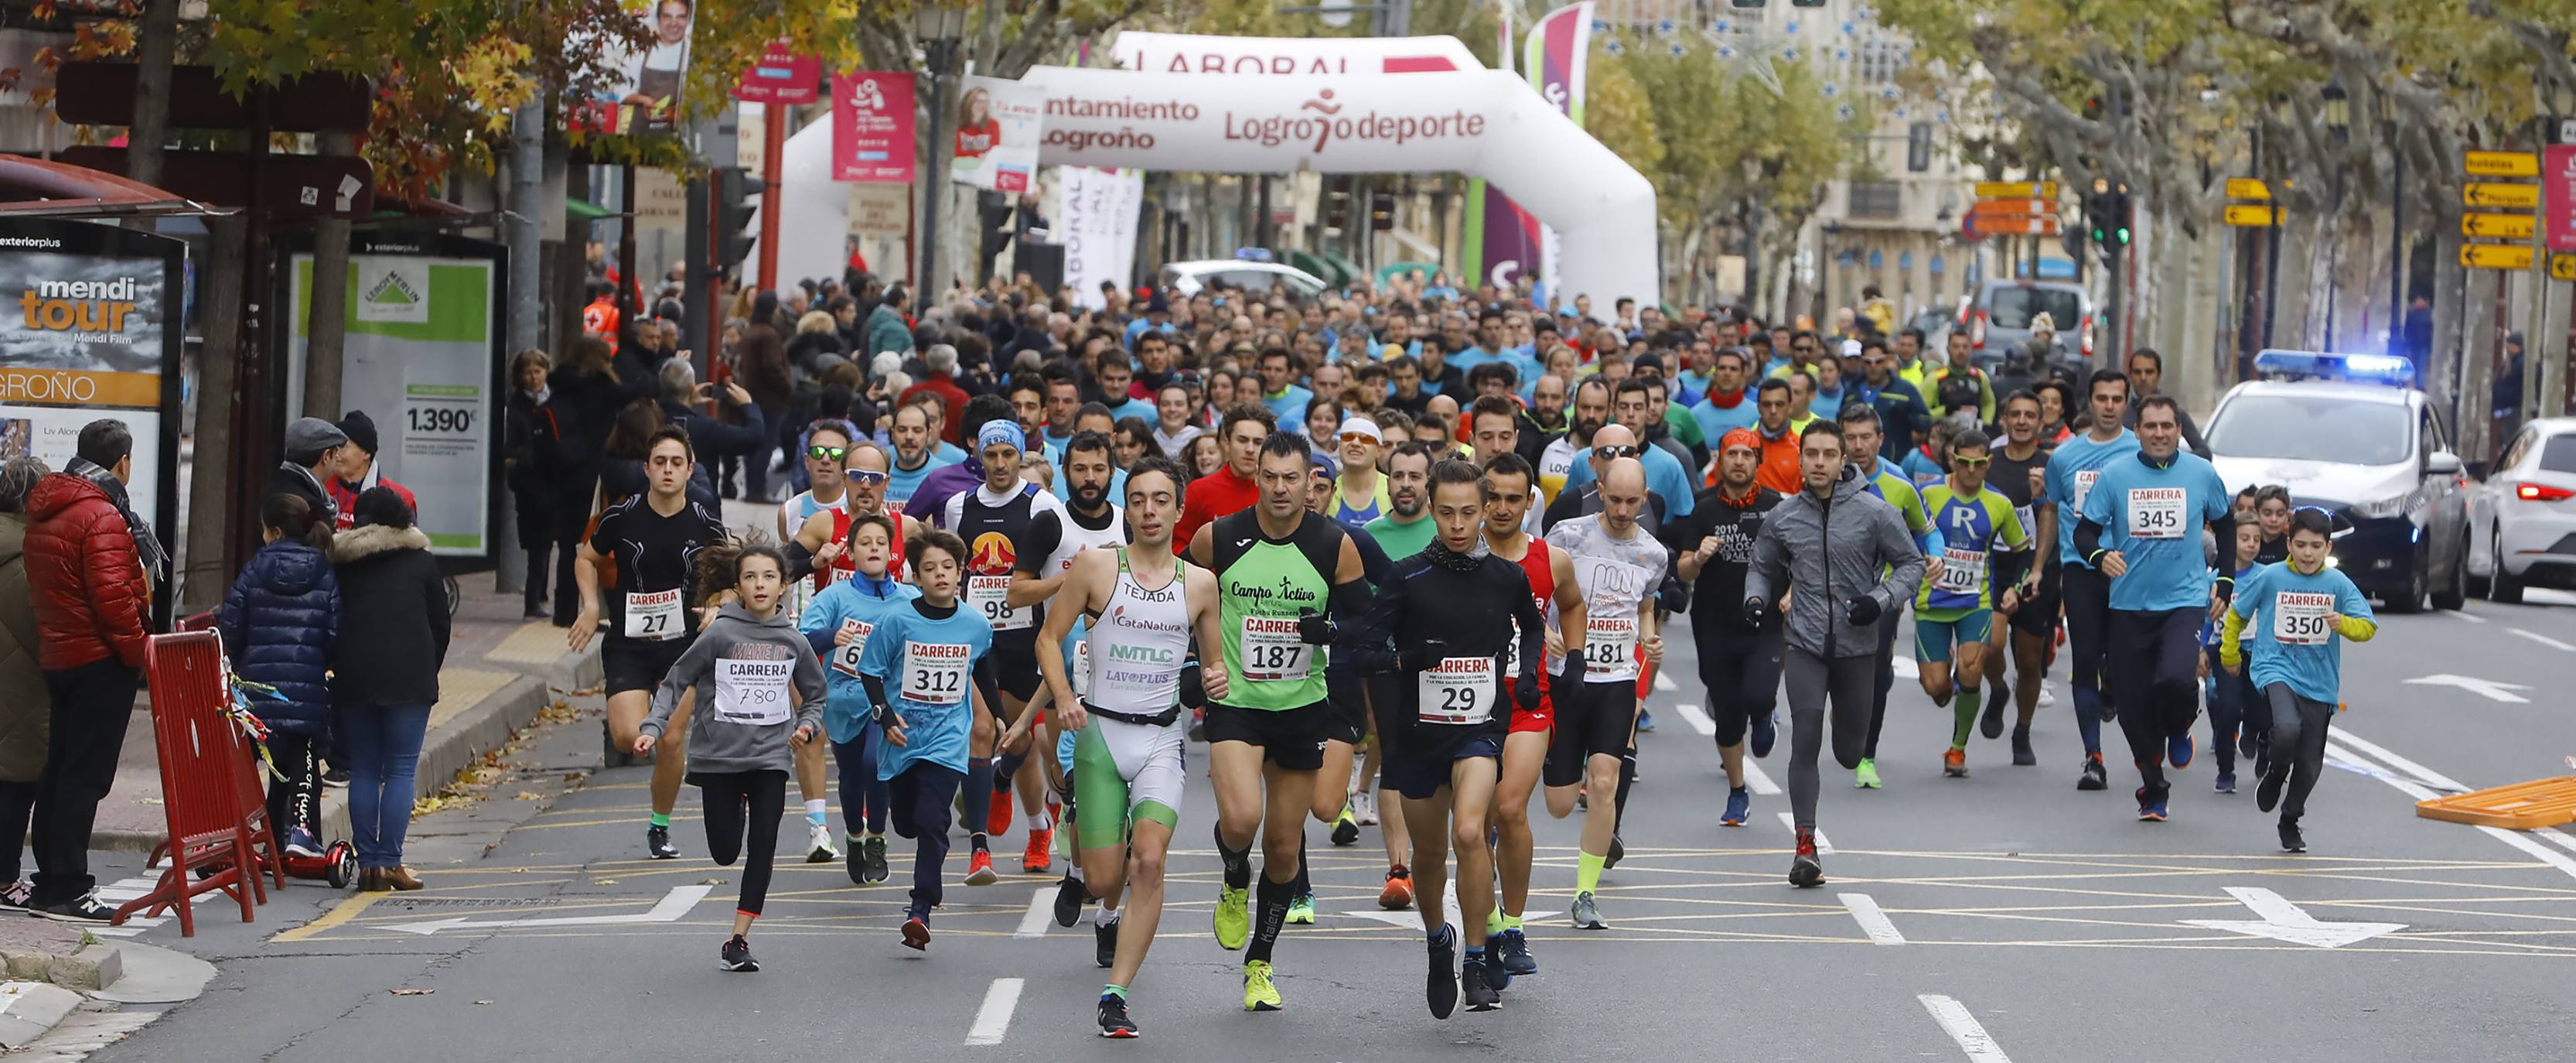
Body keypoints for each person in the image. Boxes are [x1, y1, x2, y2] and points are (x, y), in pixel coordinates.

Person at [1341, 459, 1545, 1017]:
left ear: (1485, 512)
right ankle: (1439, 943)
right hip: (1416, 734)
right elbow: (1364, 650)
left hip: (1478, 727)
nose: (1458, 525)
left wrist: (1526, 675)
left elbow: (1530, 626)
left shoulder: (1506, 577)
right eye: (1447, 513)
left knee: (1471, 831)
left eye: (1469, 514)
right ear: (1432, 509)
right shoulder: (1406, 577)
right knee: (1429, 854)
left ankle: (1476, 959)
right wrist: (1407, 658)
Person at [1036, 456, 1229, 1038]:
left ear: (1177, 509)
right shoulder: (1095, 567)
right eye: (1139, 500)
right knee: (1102, 878)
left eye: (1160, 500)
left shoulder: (1200, 582)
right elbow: (1048, 638)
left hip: (1159, 741)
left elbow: (1214, 664)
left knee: (1149, 860)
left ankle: (1115, 993)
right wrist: (1066, 695)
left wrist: (1216, 680)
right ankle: (1097, 875)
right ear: (1129, 507)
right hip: (1098, 735)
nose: (1149, 511)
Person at [1186, 430, 1370, 1013]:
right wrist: (1196, 665)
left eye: (1293, 478)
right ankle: (1234, 873)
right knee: (1240, 821)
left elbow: (1366, 624)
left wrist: (1332, 633)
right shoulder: (1218, 537)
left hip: (1301, 707)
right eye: (1270, 477)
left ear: (1311, 481)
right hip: (1237, 702)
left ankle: (1259, 965)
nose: (1282, 489)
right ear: (1256, 477)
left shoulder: (1333, 544)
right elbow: (1177, 599)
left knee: (1286, 848)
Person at [1744, 419, 1924, 887]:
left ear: (1844, 460)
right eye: (1812, 454)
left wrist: (1880, 601)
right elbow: (1761, 566)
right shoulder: (1783, 517)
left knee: (1847, 752)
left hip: (1857, 647)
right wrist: (1756, 600)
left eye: (1829, 454)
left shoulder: (1874, 512)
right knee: (1805, 733)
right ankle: (1806, 845)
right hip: (1803, 642)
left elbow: (1911, 564)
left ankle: (1846, 731)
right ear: (1800, 460)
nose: (1820, 462)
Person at [636, 542, 827, 972]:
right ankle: (734, 806)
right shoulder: (720, 634)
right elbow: (675, 680)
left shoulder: (792, 641)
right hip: (719, 760)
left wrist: (805, 726)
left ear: (783, 585)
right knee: (725, 852)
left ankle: (738, 939)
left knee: (764, 845)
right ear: (738, 586)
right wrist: (652, 728)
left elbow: (816, 696)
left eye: (769, 577)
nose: (760, 585)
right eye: (750, 577)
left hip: (770, 760)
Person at [569, 426, 732, 859]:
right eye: (659, 462)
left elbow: (731, 575)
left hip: (682, 644)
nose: (667, 470)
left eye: (676, 462)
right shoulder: (622, 516)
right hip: (629, 642)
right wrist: (589, 607)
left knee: (671, 739)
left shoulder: (704, 520)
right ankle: (636, 734)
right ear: (646, 468)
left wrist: (717, 605)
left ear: (689, 470)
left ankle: (659, 827)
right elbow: (586, 557)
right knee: (627, 737)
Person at [2076, 395, 2233, 822]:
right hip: (2128, 606)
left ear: (2180, 430)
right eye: (2151, 427)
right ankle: (2153, 788)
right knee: (2131, 706)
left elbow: (2226, 525)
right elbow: (2085, 534)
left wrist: (2226, 577)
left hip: (2183, 603)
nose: (2160, 434)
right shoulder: (2115, 475)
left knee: (2177, 682)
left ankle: (2180, 724)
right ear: (2138, 431)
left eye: (2168, 426)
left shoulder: (2201, 474)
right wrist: (2098, 557)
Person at [20, 422, 154, 921]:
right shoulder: (100, 515)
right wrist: (139, 654)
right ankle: (69, 887)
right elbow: (115, 601)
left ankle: (51, 882)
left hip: (60, 655)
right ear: (122, 461)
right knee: (86, 776)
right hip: (99, 660)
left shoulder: (50, 510)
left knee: (61, 770)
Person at [859, 529, 1000, 950]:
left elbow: (982, 672)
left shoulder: (975, 625)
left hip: (947, 738)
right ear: (915, 576)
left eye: (948, 567)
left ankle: (921, 907)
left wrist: (1002, 718)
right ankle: (913, 875)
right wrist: (884, 716)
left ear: (961, 573)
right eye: (929, 569)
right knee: (905, 822)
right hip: (902, 737)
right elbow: (870, 670)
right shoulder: (897, 620)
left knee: (932, 821)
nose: (940, 575)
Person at [941, 417, 1069, 880]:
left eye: (1008, 455)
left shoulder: (1042, 504)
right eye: (991, 455)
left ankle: (1029, 817)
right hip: (979, 638)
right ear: (979, 457)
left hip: (1025, 637)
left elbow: (1053, 570)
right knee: (981, 728)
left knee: (1022, 739)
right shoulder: (959, 506)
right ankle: (981, 850)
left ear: (1021, 456)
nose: (999, 464)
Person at [1540, 458, 1664, 928]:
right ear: (1599, 489)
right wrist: (1545, 631)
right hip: (1566, 676)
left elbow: (1646, 605)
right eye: (1614, 499)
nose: (1622, 509)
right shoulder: (1568, 537)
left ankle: (1585, 893)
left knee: (1606, 780)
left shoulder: (1653, 554)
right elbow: (1536, 592)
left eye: (1633, 502)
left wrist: (1647, 637)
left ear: (1645, 498)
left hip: (1616, 677)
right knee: (1559, 802)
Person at [1473, 453, 1584, 978]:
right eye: (1490, 496)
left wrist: (1577, 658)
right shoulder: (1460, 555)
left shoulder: (1550, 558)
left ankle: (1513, 927)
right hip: (1466, 707)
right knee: (1473, 826)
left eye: (1512, 498)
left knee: (1510, 809)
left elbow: (1573, 603)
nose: (1499, 507)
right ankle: (1489, 923)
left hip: (1526, 704)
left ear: (1529, 502)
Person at [2220, 508, 2375, 853]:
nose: (2308, 554)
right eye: (2301, 545)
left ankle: (2290, 817)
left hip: (2319, 682)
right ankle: (2275, 773)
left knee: (2309, 765)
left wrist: (2343, 624)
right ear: (2288, 543)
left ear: (2328, 547)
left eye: (2316, 546)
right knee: (2287, 728)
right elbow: (2238, 615)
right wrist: (2229, 654)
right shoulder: (2271, 577)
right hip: (2275, 668)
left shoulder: (2337, 584)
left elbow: (2368, 626)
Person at [328, 487, 452, 891]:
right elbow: (440, 625)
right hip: (410, 680)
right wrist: (426, 668)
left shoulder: (342, 565)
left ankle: (368, 867)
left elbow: (332, 620)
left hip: (354, 677)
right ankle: (391, 862)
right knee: (399, 769)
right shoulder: (421, 563)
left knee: (364, 768)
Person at [797, 512, 917, 886]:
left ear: (893, 551)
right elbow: (802, 638)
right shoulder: (835, 596)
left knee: (873, 764)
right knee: (851, 775)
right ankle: (853, 837)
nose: (874, 549)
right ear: (852, 550)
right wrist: (831, 635)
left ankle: (877, 839)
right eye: (865, 543)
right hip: (845, 699)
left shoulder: (910, 598)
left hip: (887, 702)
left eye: (881, 543)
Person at [1672, 430, 1783, 829]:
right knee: (1727, 719)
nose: (1738, 461)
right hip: (1714, 625)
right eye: (1731, 454)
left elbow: (1800, 560)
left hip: (1765, 623)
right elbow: (1682, 568)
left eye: (1747, 455)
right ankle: (1738, 792)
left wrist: (1791, 596)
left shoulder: (1777, 508)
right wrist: (1698, 559)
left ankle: (1766, 712)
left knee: (1756, 693)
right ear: (1720, 460)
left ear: (1758, 461)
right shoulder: (1703, 510)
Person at [221, 493, 340, 861]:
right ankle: (300, 832)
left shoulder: (256, 568)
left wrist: (243, 666)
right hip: (306, 691)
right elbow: (335, 632)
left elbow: (231, 626)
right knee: (301, 758)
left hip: (257, 692)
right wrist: (319, 665)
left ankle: (252, 836)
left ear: (274, 531)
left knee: (260, 761)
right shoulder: (323, 570)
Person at [2042, 370, 2141, 791]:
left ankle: (2114, 686)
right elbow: (2050, 509)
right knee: (2085, 662)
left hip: (2130, 570)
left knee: (2122, 662)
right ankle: (2093, 758)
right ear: (2090, 401)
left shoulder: (2141, 449)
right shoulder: (2064, 457)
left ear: (2126, 402)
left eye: (2117, 399)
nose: (2109, 406)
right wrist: (2037, 567)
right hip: (2081, 568)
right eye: (2102, 398)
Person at [1913, 429, 2031, 779]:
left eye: (1978, 464)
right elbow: (1902, 536)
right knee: (1937, 690)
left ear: (1988, 463)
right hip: (1930, 602)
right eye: (1963, 462)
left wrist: (2016, 588)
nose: (1970, 470)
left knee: (1971, 671)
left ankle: (1957, 748)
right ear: (1953, 459)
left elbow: (2022, 552)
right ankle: (1944, 673)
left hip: (1974, 602)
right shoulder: (1929, 493)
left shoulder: (1999, 503)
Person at [1986, 391, 2059, 766]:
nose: (2022, 421)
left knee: (2030, 662)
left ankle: (2022, 731)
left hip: (2036, 569)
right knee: (1992, 646)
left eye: (2030, 415)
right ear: (2004, 420)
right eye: (2015, 414)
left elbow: (2059, 518)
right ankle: (1998, 689)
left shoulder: (2051, 465)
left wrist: (2039, 497)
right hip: (1994, 568)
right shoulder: (1989, 462)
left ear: (2041, 422)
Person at [0, 457, 41, 911]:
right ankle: (6, 877)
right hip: (20, 688)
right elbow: (38, 628)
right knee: (14, 787)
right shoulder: (28, 555)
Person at [506, 349, 558, 620]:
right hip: (531, 486)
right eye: (528, 372)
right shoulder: (516, 408)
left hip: (556, 482)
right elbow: (511, 451)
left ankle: (541, 593)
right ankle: (533, 600)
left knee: (549, 542)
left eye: (538, 371)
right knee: (537, 544)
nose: (533, 377)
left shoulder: (556, 401)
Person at [1175, 405, 1274, 545]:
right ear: (1227, 443)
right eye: (1242, 440)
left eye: (1258, 442)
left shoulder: (1277, 492)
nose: (1250, 449)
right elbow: (1177, 545)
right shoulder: (1199, 491)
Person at [324, 411, 418, 529]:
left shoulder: (400, 500)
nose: (336, 453)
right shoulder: (320, 489)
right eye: (334, 447)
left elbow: (411, 544)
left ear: (366, 453)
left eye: (343, 446)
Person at [2121, 349, 2210, 458]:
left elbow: (2205, 453)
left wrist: (2172, 459)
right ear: (2130, 375)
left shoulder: (2177, 414)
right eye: (2137, 372)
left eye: (2149, 372)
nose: (2143, 378)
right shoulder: (2120, 416)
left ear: (2159, 375)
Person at [268, 416, 350, 528]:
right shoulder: (312, 510)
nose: (337, 460)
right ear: (326, 456)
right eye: (335, 454)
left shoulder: (272, 490)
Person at [1365, 442, 1438, 559]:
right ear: (1388, 484)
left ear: (1429, 484)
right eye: (1398, 476)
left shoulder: (1445, 530)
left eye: (1414, 477)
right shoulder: (1368, 535)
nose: (1405, 484)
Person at [1328, 417, 1392, 528]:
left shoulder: (1391, 488)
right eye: (1348, 437)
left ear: (1379, 450)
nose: (1355, 443)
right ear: (1339, 446)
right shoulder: (1325, 490)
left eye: (1366, 439)